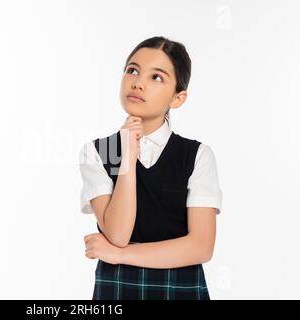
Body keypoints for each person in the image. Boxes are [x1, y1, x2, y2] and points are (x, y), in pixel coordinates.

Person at [79, 36, 222, 300]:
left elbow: (200, 247)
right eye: (132, 70)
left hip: (180, 288)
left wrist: (118, 255)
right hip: (117, 289)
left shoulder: (197, 155)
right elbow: (118, 233)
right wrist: (127, 159)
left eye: (157, 77)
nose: (138, 83)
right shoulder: (98, 152)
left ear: (178, 98)